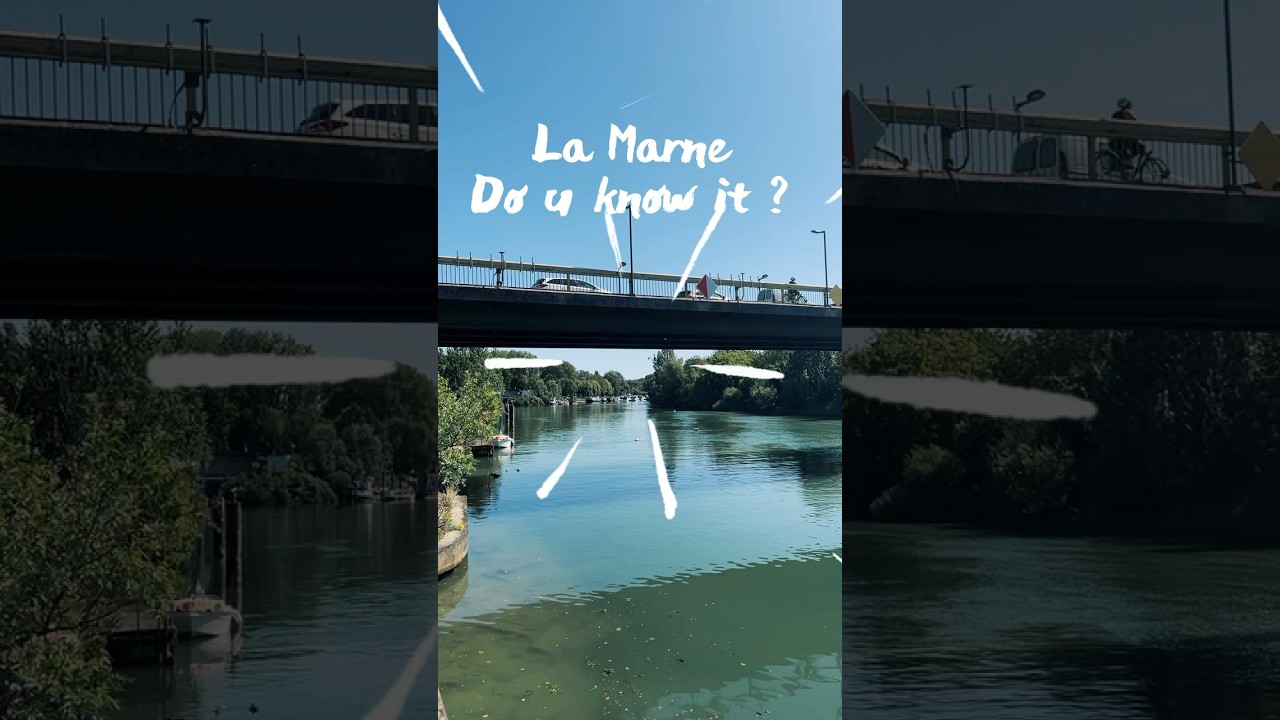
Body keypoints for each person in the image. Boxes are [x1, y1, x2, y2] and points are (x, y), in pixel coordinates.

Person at [1109, 97, 1146, 174]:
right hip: (1121, 140)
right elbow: (1136, 121)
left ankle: (1125, 164)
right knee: (1140, 148)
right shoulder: (1126, 112)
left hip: (1116, 140)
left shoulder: (1115, 114)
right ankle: (1126, 163)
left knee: (1127, 153)